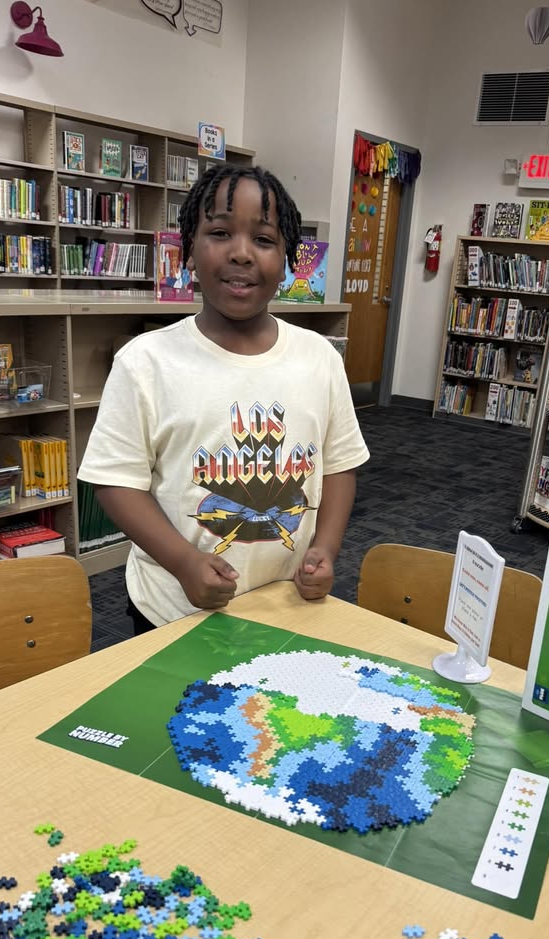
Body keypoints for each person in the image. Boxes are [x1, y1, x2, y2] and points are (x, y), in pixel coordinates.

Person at [79, 164, 369, 633]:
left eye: (264, 239)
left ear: (289, 259)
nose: (241, 254)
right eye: (219, 232)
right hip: (172, 605)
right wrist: (183, 562)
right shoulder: (146, 361)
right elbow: (115, 481)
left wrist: (326, 549)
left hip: (284, 602)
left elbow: (340, 466)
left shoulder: (320, 358)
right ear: (189, 250)